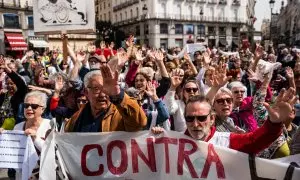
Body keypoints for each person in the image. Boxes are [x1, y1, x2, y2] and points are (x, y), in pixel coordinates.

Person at [152, 87, 297, 154]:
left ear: (212, 118)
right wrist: (155, 140)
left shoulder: (227, 141)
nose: (195, 124)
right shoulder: (174, 143)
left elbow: (256, 140)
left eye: (202, 118)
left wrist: (273, 123)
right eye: (190, 118)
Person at [64, 65, 147, 132]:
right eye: (96, 89)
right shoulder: (76, 118)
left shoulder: (120, 114)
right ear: (86, 92)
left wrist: (117, 94)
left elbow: (139, 123)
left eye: (106, 89)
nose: (103, 94)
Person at [0, 91, 52, 179]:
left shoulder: (50, 125)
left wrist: (35, 138)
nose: (29, 108)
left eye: (34, 106)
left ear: (43, 109)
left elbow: (52, 153)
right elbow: (11, 153)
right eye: (26, 105)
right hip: (22, 175)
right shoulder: (18, 127)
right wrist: (3, 139)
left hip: (43, 175)